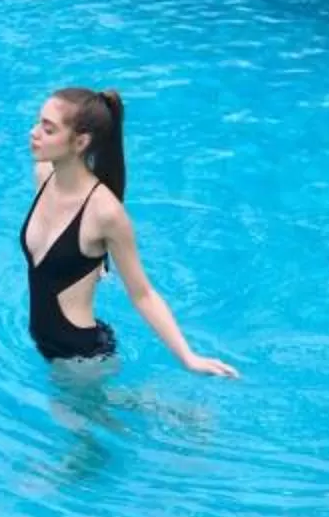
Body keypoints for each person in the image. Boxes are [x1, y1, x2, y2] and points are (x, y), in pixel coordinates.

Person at [21, 86, 238, 376]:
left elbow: (143, 293)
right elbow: (58, 246)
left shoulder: (105, 213)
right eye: (38, 122)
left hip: (80, 357)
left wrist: (189, 357)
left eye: (48, 130)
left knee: (99, 419)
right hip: (43, 343)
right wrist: (92, 262)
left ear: (81, 141)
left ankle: (174, 413)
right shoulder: (44, 177)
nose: (34, 132)